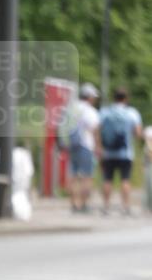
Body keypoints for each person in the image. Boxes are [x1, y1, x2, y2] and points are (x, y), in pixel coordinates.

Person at [99, 87, 143, 215]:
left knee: (107, 179)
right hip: (125, 153)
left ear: (114, 97)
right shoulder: (132, 113)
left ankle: (106, 207)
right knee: (125, 179)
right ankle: (125, 207)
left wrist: (100, 145)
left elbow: (98, 128)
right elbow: (138, 133)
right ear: (126, 98)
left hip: (108, 152)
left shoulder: (105, 112)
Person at [59, 83, 101, 213]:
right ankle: (83, 205)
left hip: (71, 145)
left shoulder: (71, 108)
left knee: (73, 176)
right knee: (86, 177)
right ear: (89, 97)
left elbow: (62, 126)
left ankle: (73, 204)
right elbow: (94, 130)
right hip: (86, 146)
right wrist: (98, 147)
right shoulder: (89, 110)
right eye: (93, 96)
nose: (94, 99)